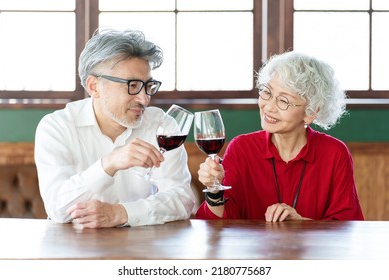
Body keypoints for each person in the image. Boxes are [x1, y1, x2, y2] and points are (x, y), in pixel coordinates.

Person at [35, 28, 195, 228]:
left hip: (145, 250)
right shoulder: (56, 127)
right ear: (94, 87)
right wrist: (108, 164)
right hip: (75, 249)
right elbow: (58, 209)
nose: (144, 99)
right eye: (132, 85)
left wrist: (121, 213)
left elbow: (182, 199)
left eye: (148, 86)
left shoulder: (161, 125)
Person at [195, 51, 364, 221]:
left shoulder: (334, 153)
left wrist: (301, 223)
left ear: (311, 112)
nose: (269, 107)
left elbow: (347, 228)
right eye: (267, 92)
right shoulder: (242, 148)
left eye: (283, 101)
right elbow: (220, 224)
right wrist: (214, 191)